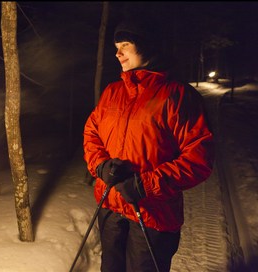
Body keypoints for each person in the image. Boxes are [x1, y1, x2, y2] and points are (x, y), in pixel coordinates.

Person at [83, 17, 214, 272]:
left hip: (153, 215)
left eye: (125, 45)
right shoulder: (113, 92)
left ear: (145, 46)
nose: (117, 53)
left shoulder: (177, 95)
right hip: (110, 207)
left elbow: (199, 159)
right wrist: (101, 166)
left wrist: (145, 185)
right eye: (116, 46)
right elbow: (92, 132)